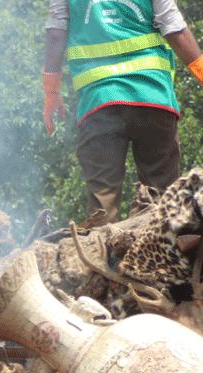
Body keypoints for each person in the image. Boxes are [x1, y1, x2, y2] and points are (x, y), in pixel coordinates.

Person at [43, 0, 203, 226]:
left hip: (100, 103)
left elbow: (56, 33)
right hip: (152, 97)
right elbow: (175, 28)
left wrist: (51, 92)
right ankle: (157, 255)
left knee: (102, 209)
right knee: (161, 202)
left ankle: (101, 258)